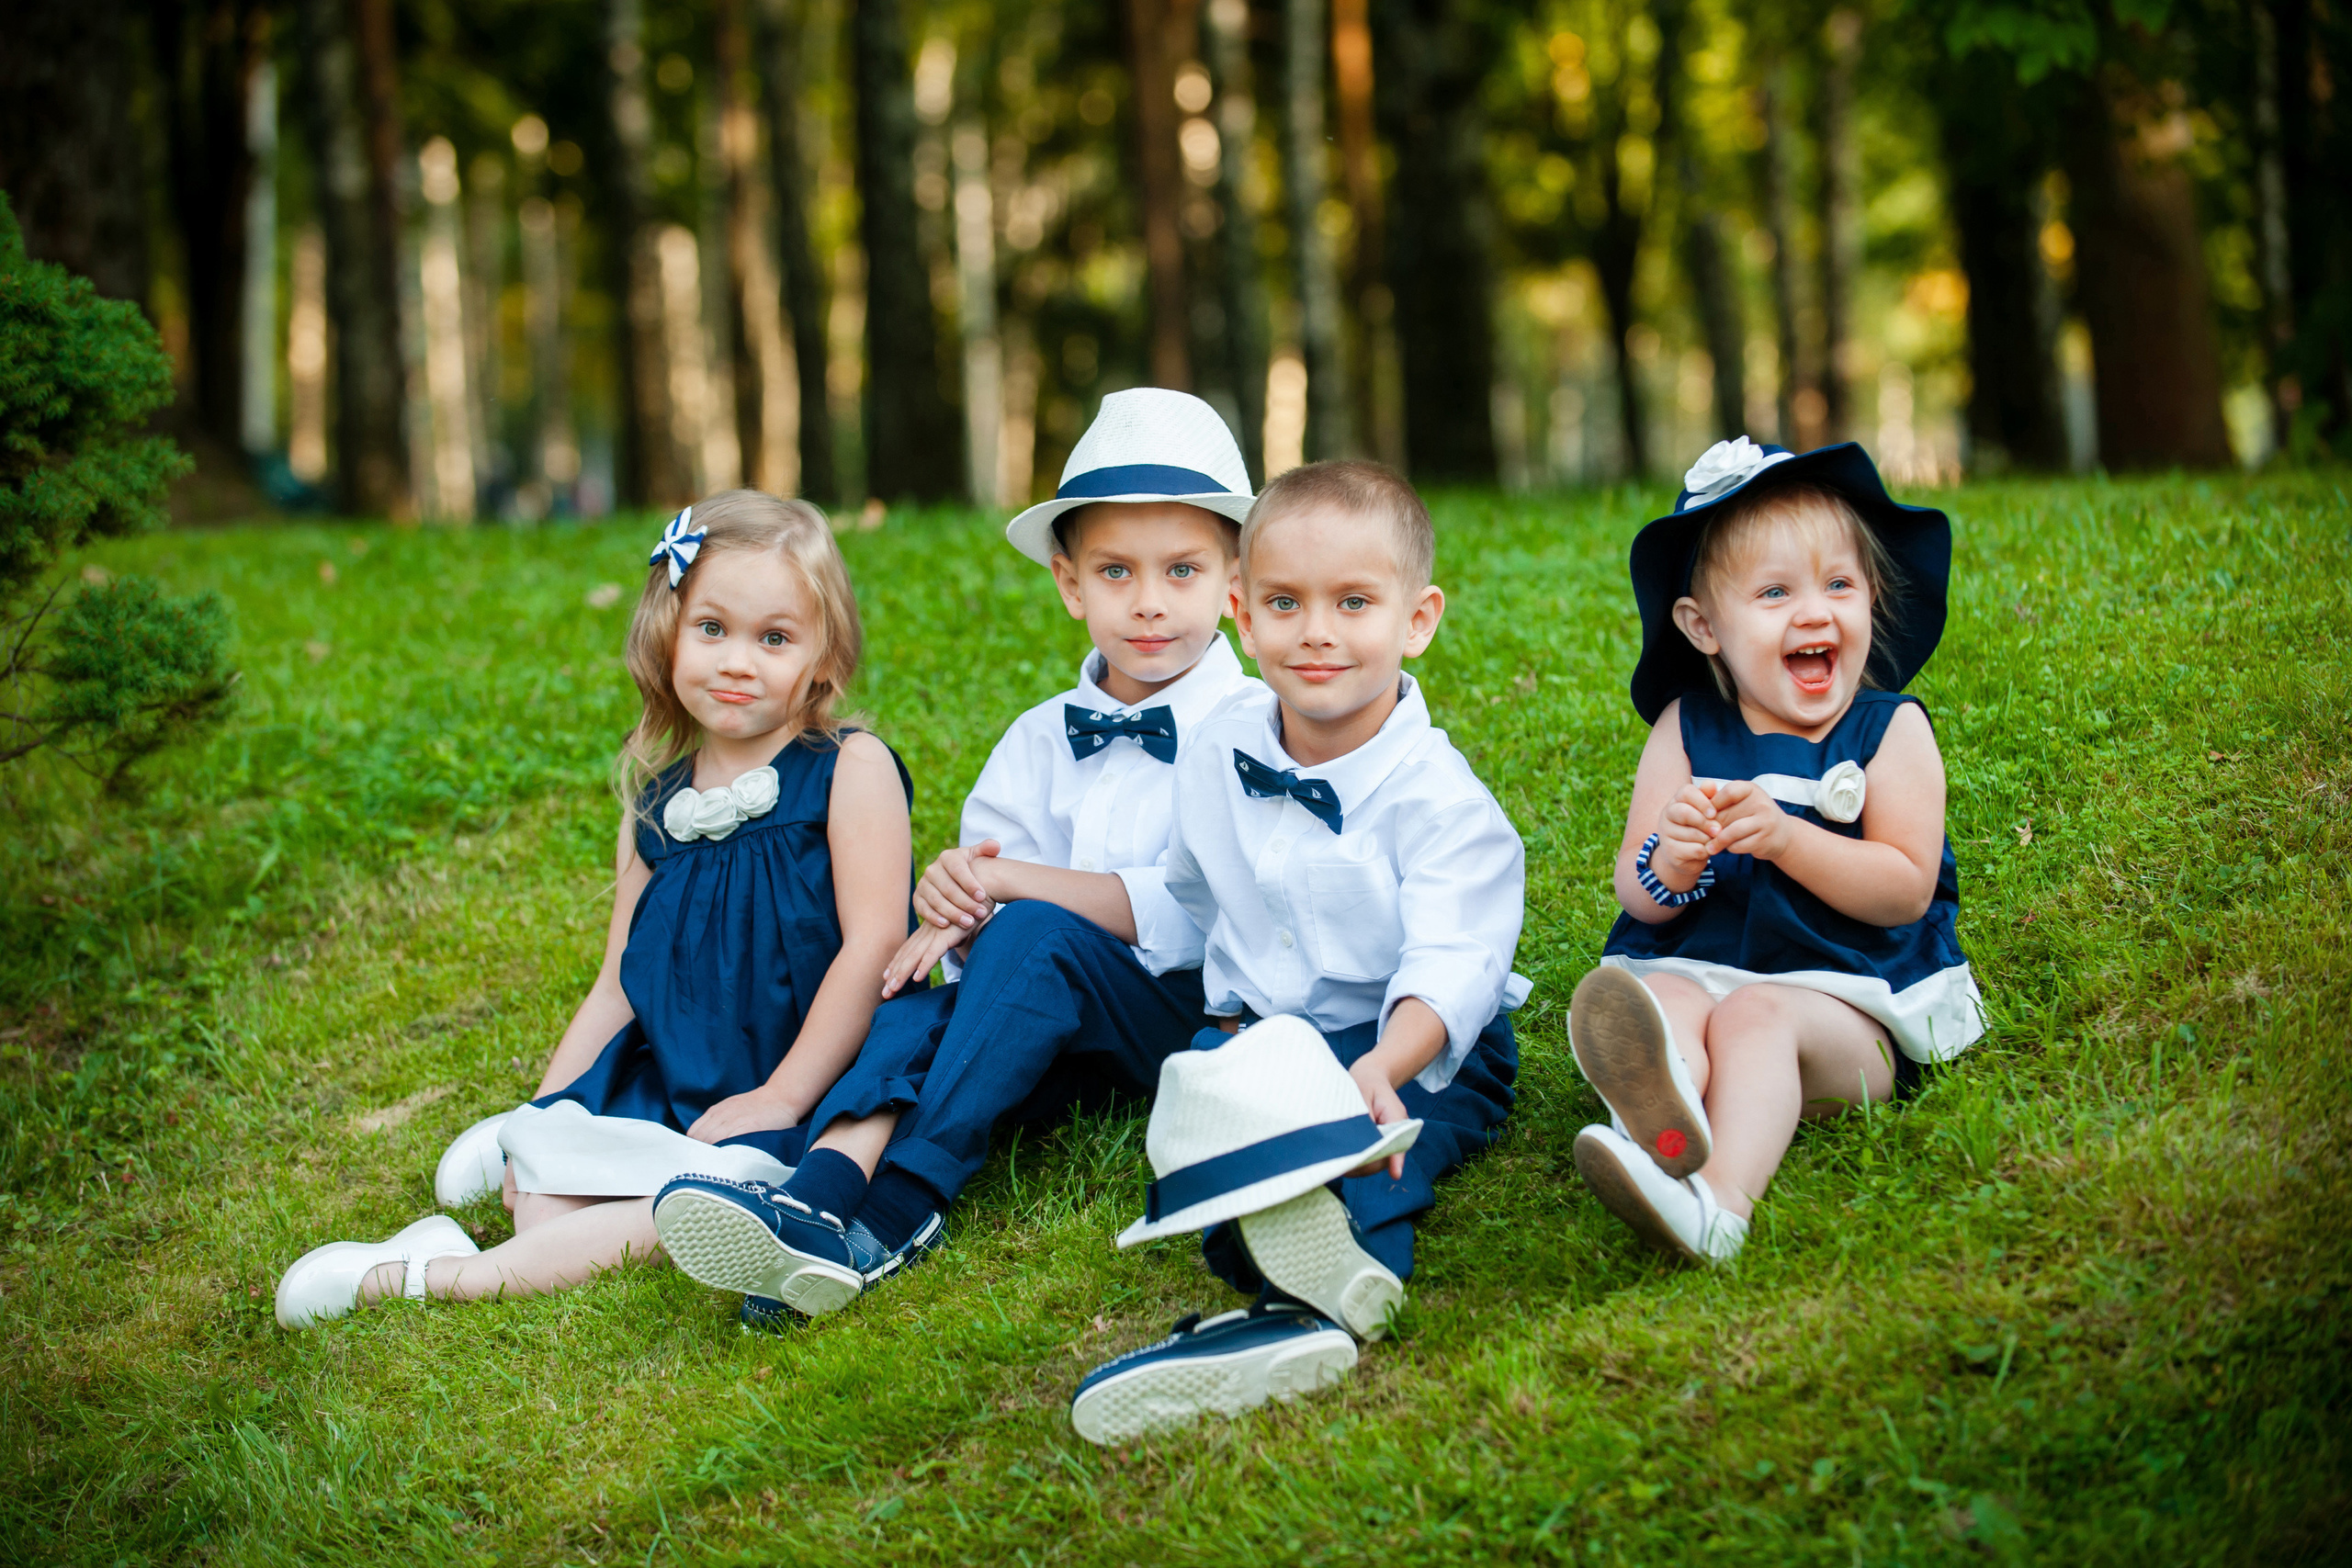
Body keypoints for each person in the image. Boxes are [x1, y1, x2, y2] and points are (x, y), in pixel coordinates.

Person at [650, 389, 1262, 1322]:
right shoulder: (1039, 736)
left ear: (1232, 584)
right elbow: (992, 894)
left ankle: (898, 1210)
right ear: (1070, 584)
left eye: (1182, 571)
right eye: (1115, 572)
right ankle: (815, 1200)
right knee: (914, 995)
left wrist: (1011, 886)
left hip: (1189, 1022)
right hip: (1051, 1032)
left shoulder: (1253, 728)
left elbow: (1198, 912)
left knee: (1036, 931)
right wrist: (960, 903)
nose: (1148, 602)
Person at [273, 492, 914, 1327]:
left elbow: (874, 945)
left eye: (775, 638)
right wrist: (537, 1118)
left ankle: (428, 1278)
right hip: (684, 1080)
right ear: (666, 634)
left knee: (722, 1199)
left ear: (824, 658)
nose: (737, 661)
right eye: (712, 628)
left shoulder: (847, 768)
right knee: (542, 1201)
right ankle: (480, 1216)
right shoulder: (655, 804)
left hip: (811, 1075)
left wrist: (783, 1096)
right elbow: (618, 982)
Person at [1068, 458, 1529, 1445]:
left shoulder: (1443, 803)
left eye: (1353, 603)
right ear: (1242, 613)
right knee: (1225, 1179)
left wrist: (1383, 1067)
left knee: (1368, 1150)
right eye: (1285, 603)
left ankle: (1335, 1295)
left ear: (1417, 620)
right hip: (1267, 1041)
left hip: (1411, 1044)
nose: (1316, 631)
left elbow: (1453, 966)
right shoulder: (1219, 748)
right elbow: (1196, 890)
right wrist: (1225, 1030)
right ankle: (1280, 1276)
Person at [1566, 437, 1984, 1266]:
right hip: (1704, 967)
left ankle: (1718, 1208)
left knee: (1754, 1017)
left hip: (1847, 1006)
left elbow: (1905, 888)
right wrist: (1674, 859)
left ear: (1872, 598)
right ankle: (1664, 1126)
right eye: (1774, 592)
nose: (1815, 612)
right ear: (1704, 627)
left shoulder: (1890, 731)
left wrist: (1792, 839)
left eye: (1839, 584)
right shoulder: (1685, 729)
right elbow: (1638, 892)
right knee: (1665, 1003)